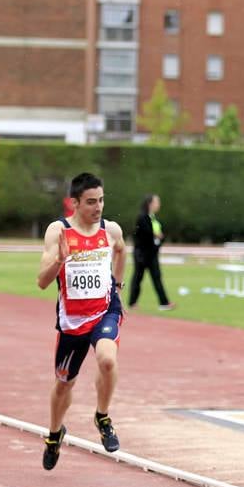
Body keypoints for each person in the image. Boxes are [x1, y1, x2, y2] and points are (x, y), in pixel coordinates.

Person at [37, 172, 127, 470]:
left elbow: (121, 250)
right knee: (64, 384)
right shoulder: (58, 231)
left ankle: (102, 416)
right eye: (90, 202)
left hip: (105, 311)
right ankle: (54, 434)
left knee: (107, 360)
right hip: (72, 322)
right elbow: (41, 282)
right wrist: (59, 260)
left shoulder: (110, 229)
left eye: (101, 200)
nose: (98, 207)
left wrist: (118, 285)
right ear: (74, 203)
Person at [129, 194, 175, 310]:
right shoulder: (142, 217)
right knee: (138, 278)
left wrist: (159, 239)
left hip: (152, 253)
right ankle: (132, 303)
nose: (159, 205)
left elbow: (157, 234)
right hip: (142, 254)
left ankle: (164, 303)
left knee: (156, 277)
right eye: (157, 202)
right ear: (150, 204)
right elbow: (144, 235)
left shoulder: (152, 218)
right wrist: (156, 236)